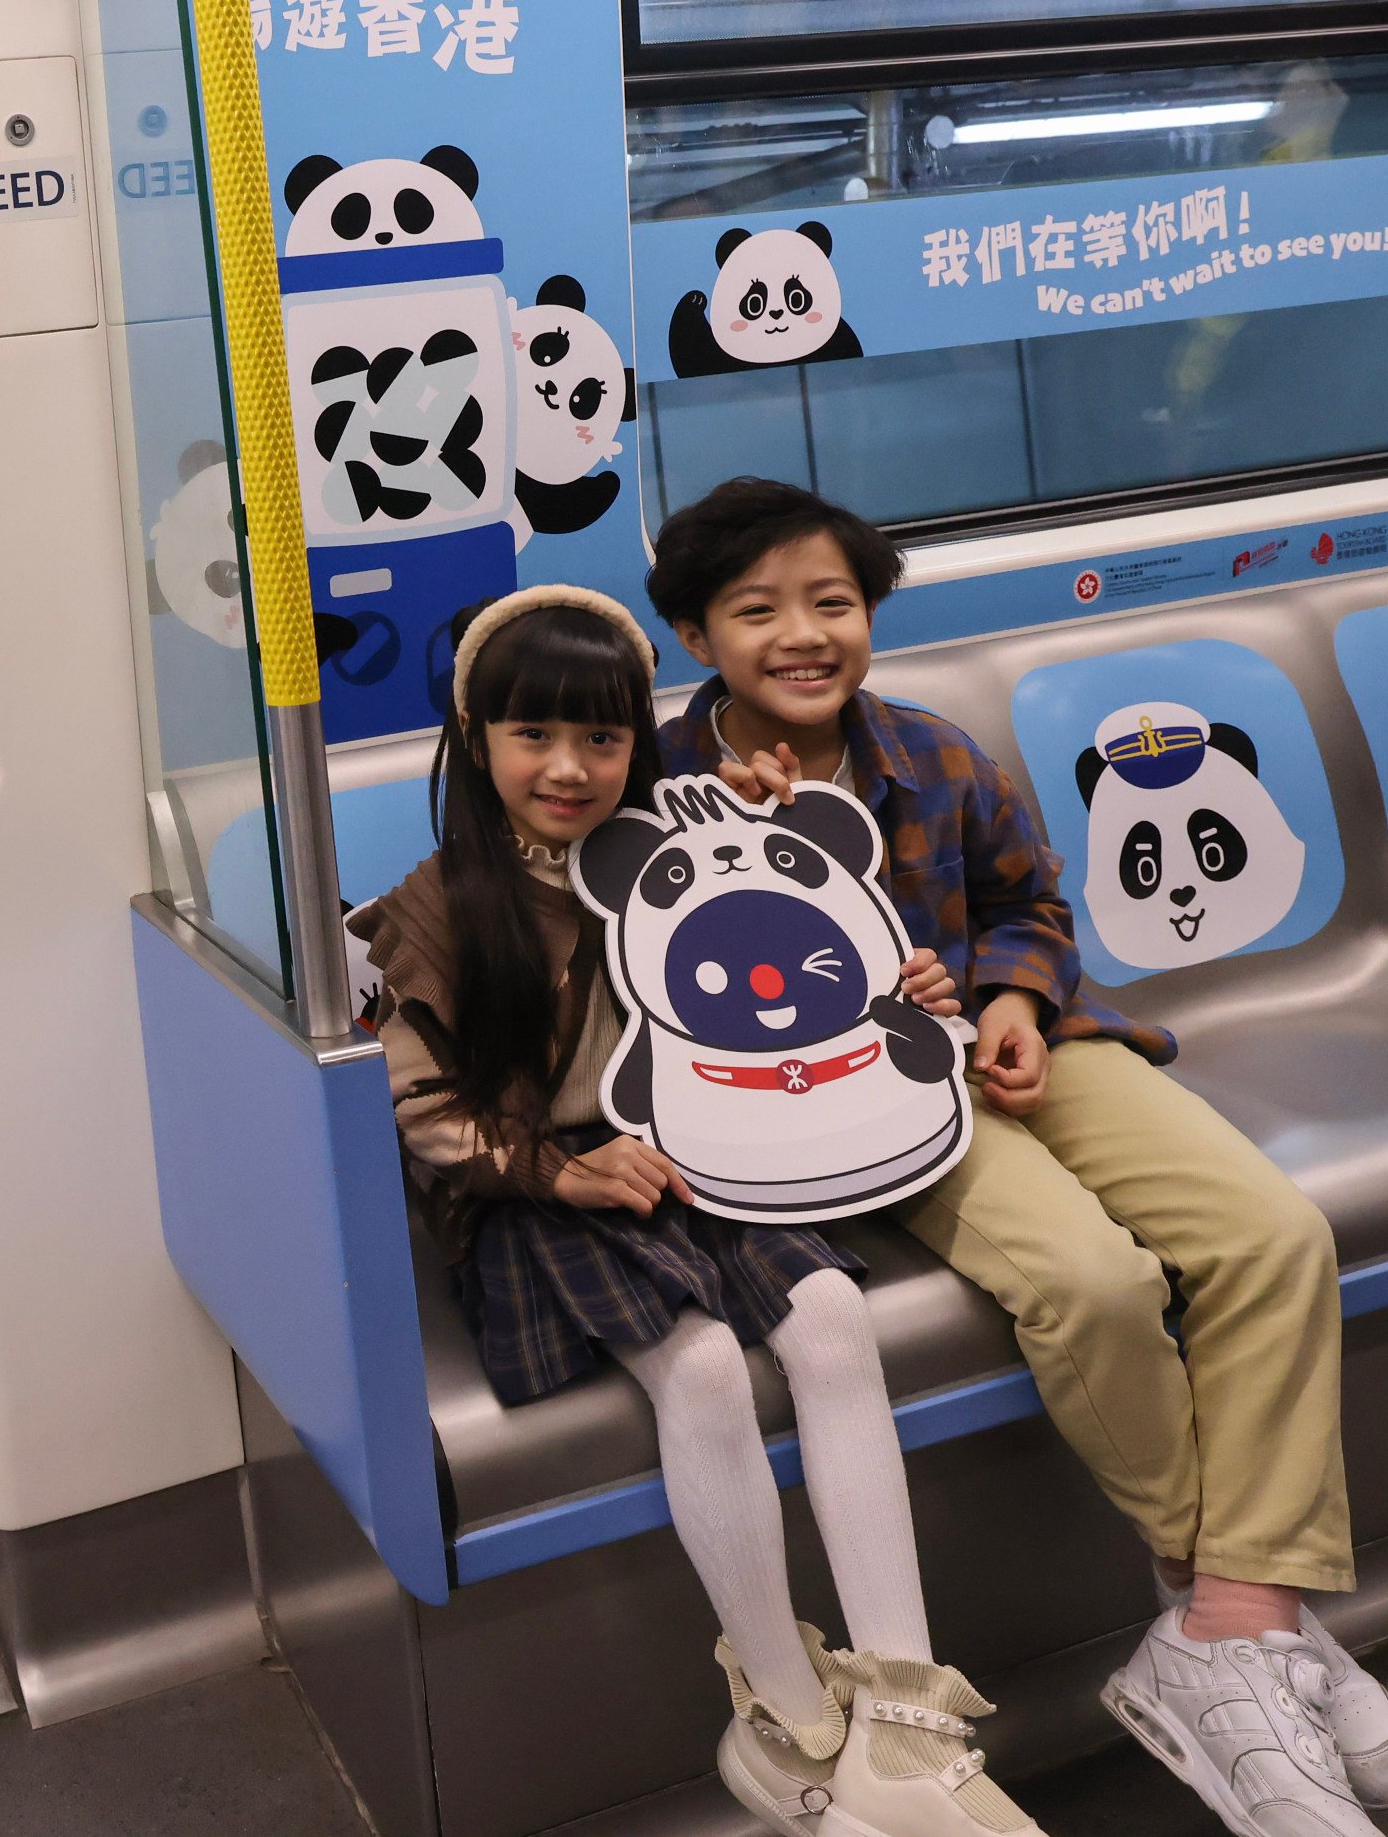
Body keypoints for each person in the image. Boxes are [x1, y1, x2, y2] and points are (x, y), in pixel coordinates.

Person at [645, 479, 1388, 1837]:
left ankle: (1230, 1628)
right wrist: (744, 841)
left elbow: (1028, 899)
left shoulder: (931, 752)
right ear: (695, 635)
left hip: (1023, 1046)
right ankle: (1235, 1612)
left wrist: (1011, 1000)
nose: (803, 634)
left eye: (832, 602)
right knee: (1097, 1284)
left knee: (1271, 1235)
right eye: (756, 610)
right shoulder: (663, 795)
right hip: (865, 1105)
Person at [354, 583, 1041, 1837]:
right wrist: (555, 1168)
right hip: (541, 1188)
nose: (568, 768)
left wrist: (891, 975)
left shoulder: (677, 844)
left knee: (833, 1314)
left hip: (699, 1154)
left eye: (601, 738)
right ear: (477, 742)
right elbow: (419, 1108)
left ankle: (902, 1717)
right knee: (708, 1367)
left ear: (637, 739)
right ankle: (785, 1717)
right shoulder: (442, 902)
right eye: (531, 736)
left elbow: (800, 971)